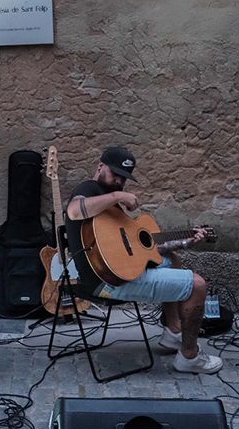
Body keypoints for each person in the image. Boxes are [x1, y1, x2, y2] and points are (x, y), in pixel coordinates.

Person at [64, 146, 221, 374]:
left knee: (172, 259)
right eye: (114, 173)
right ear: (100, 168)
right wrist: (118, 195)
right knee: (197, 285)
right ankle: (190, 356)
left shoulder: (111, 208)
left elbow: (145, 248)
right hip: (108, 282)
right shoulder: (89, 189)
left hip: (118, 273)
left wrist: (186, 240)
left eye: (124, 178)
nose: (119, 180)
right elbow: (74, 212)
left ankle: (173, 333)